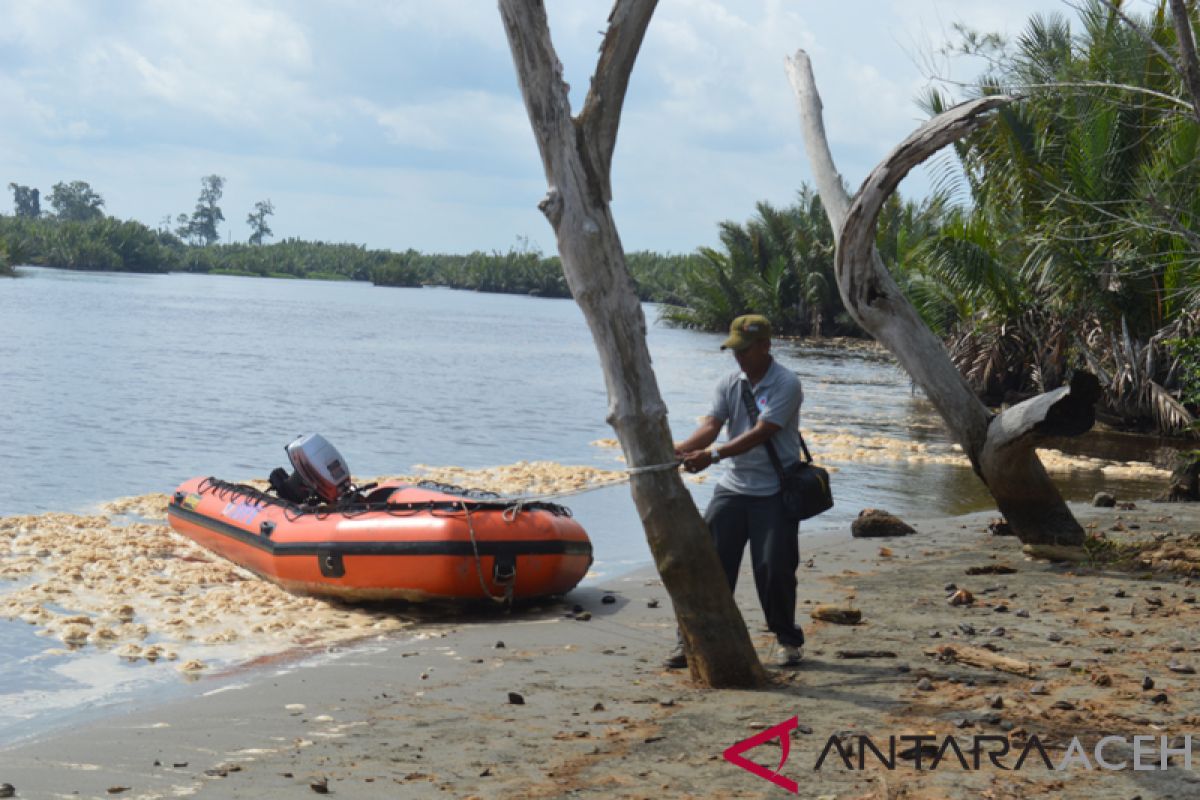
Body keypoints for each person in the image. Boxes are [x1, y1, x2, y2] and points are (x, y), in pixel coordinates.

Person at [667, 314, 805, 668]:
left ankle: (787, 638)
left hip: (774, 492)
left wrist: (712, 456)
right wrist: (678, 451)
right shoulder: (729, 382)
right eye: (734, 350)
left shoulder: (786, 384)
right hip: (733, 489)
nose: (738, 356)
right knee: (708, 565)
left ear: (765, 346)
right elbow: (712, 426)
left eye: (744, 350)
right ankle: (691, 641)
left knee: (774, 568)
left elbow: (763, 430)